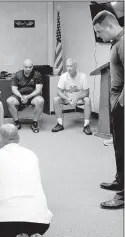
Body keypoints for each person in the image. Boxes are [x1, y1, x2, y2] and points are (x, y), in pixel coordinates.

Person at [93, 10, 124, 209]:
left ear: (111, 25)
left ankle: (123, 195)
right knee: (119, 147)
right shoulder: (116, 42)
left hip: (122, 103)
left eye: (99, 31)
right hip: (116, 103)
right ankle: (121, 180)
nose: (98, 36)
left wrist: (120, 103)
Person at [51, 58, 92, 135]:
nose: (69, 68)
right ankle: (59, 124)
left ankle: (86, 126)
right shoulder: (63, 76)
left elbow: (87, 92)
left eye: (71, 66)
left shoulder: (83, 76)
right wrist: (67, 98)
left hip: (79, 99)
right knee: (56, 99)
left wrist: (77, 98)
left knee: (87, 100)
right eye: (67, 66)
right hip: (67, 98)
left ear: (75, 66)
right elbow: (59, 92)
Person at [7, 59, 44, 133]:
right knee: (9, 101)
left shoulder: (37, 75)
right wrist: (21, 97)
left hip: (32, 95)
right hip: (20, 95)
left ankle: (35, 122)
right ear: (23, 67)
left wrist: (28, 97)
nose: (28, 69)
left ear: (32, 66)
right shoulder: (17, 74)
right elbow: (14, 89)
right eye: (26, 67)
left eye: (30, 67)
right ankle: (16, 122)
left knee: (40, 101)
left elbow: (38, 90)